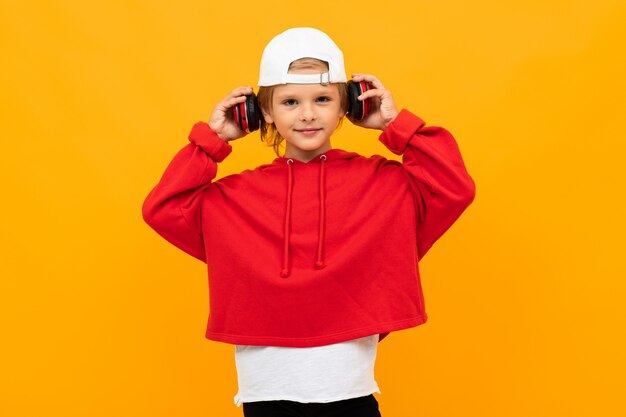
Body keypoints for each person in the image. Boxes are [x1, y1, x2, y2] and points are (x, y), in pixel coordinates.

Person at [142, 27, 476, 417]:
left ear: (347, 107)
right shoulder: (236, 197)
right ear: (262, 111)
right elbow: (164, 208)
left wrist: (395, 125)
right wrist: (213, 141)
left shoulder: (382, 184)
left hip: (350, 395)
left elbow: (454, 187)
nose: (307, 114)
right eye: (289, 102)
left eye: (322, 99)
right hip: (265, 396)